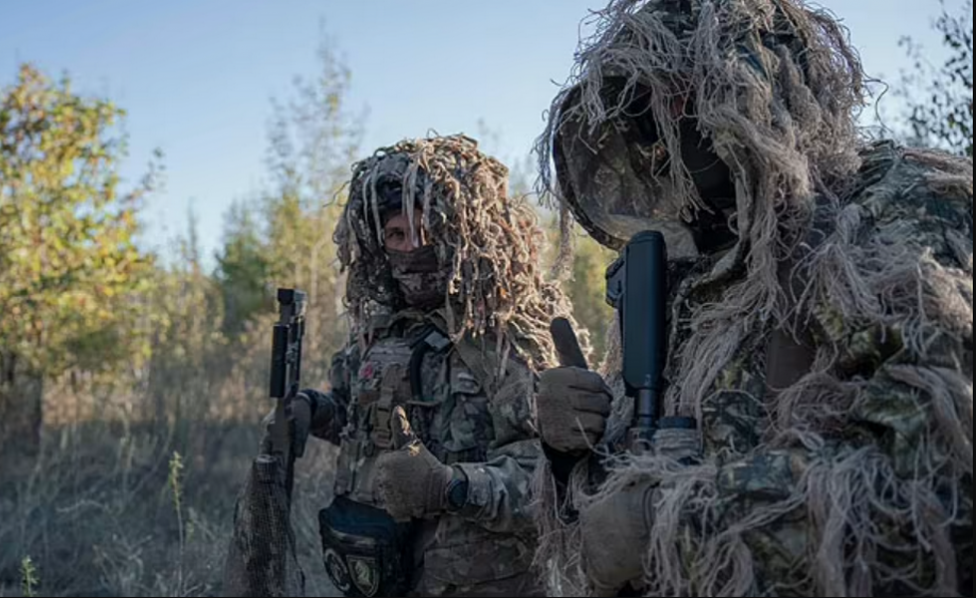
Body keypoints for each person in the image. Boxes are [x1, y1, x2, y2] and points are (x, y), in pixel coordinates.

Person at [531, 1, 973, 596]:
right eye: (646, 118)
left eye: (680, 100)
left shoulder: (891, 216)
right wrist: (568, 453)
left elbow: (941, 486)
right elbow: (614, 509)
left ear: (750, 83)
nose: (662, 136)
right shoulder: (681, 272)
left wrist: (670, 523)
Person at [240, 134, 573, 597]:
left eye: (425, 231)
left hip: (481, 582)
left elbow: (553, 480)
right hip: (380, 573)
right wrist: (312, 410)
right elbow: (360, 422)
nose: (412, 248)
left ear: (461, 233)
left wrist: (450, 487)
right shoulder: (379, 331)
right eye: (396, 235)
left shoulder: (508, 335)